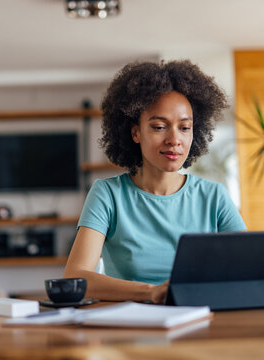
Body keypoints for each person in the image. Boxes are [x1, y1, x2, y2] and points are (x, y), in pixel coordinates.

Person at [64, 60, 246, 304]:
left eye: (184, 127)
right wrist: (151, 292)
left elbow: (249, 270)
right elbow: (76, 278)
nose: (174, 139)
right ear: (135, 133)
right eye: (159, 126)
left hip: (202, 320)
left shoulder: (214, 196)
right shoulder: (108, 194)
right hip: (133, 327)